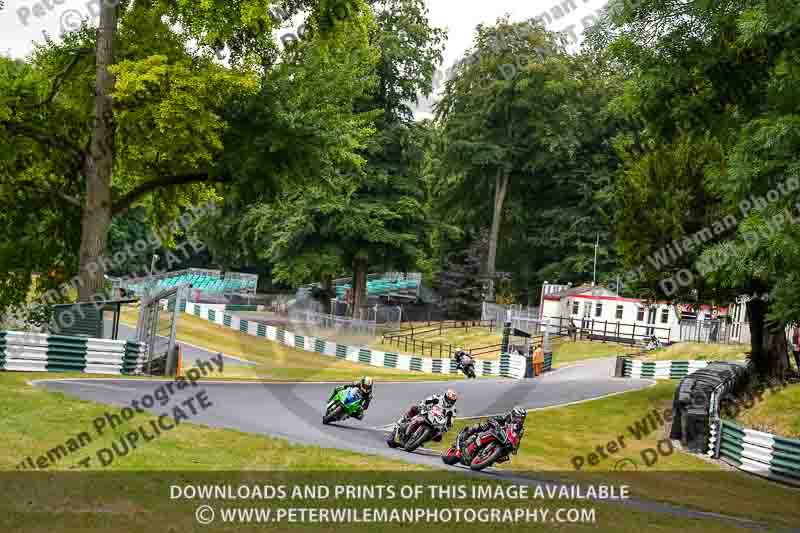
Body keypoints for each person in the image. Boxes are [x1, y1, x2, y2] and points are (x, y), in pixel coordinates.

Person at [392, 389, 458, 442]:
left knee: (438, 438)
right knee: (414, 408)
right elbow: (425, 401)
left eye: (452, 401)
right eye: (449, 400)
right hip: (426, 413)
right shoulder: (437, 398)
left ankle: (420, 440)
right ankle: (400, 423)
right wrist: (423, 406)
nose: (450, 402)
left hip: (435, 424)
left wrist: (445, 428)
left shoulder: (452, 410)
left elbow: (450, 423)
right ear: (445, 397)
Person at [459, 406, 527, 455]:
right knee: (483, 425)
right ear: (513, 414)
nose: (520, 420)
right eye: (518, 418)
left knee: (505, 453)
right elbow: (492, 418)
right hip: (494, 430)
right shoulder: (507, 416)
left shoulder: (520, 429)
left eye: (522, 418)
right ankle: (466, 434)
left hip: (503, 440)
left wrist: (515, 449)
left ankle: (488, 458)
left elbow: (517, 440)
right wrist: (496, 424)